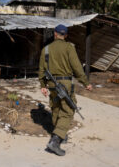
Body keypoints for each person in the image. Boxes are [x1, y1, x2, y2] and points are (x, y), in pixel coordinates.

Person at [38, 24, 93, 156]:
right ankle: (55, 140)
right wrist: (85, 82)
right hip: (65, 83)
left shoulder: (45, 49)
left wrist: (43, 85)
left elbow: (41, 70)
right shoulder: (69, 47)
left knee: (56, 108)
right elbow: (77, 67)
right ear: (66, 35)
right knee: (68, 111)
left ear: (55, 34)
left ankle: (59, 133)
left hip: (52, 84)